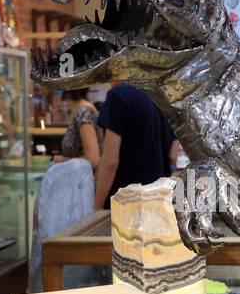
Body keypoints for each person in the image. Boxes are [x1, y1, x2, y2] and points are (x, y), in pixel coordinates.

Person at [94, 81, 180, 209]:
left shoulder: (118, 95)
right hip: (157, 200)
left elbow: (110, 162)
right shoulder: (162, 95)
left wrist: (96, 208)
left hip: (124, 203)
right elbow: (173, 155)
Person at [51, 87, 101, 168]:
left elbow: (93, 159)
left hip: (86, 178)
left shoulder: (83, 113)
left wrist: (63, 160)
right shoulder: (80, 110)